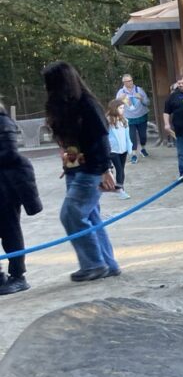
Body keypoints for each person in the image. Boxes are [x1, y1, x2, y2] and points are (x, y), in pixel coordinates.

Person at [43, 61, 121, 282]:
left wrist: (105, 170)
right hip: (73, 169)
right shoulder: (62, 107)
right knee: (90, 216)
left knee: (72, 214)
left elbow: (101, 140)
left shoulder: (87, 105)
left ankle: (94, 264)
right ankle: (107, 263)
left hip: (91, 169)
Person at [0, 98, 42, 294]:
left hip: (5, 188)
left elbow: (9, 154)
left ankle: (18, 275)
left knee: (10, 232)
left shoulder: (3, 122)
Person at [116, 73, 150, 164]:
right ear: (123, 82)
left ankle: (143, 148)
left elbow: (147, 102)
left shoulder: (139, 90)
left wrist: (142, 98)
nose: (130, 82)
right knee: (131, 137)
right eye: (127, 81)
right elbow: (116, 106)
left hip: (142, 116)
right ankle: (134, 155)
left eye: (130, 80)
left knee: (143, 136)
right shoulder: (121, 92)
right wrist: (119, 100)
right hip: (129, 118)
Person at [163, 76, 183, 179]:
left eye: (182, 83)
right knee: (182, 153)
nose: (180, 85)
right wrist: (166, 124)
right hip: (180, 130)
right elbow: (166, 112)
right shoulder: (173, 96)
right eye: (179, 83)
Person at [106, 98, 132, 200]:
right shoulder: (108, 121)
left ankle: (121, 189)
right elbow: (105, 136)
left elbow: (127, 136)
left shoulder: (124, 120)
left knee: (122, 169)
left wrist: (129, 147)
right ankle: (120, 190)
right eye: (120, 108)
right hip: (113, 150)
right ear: (114, 108)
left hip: (123, 149)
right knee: (119, 169)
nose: (122, 110)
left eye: (123, 108)